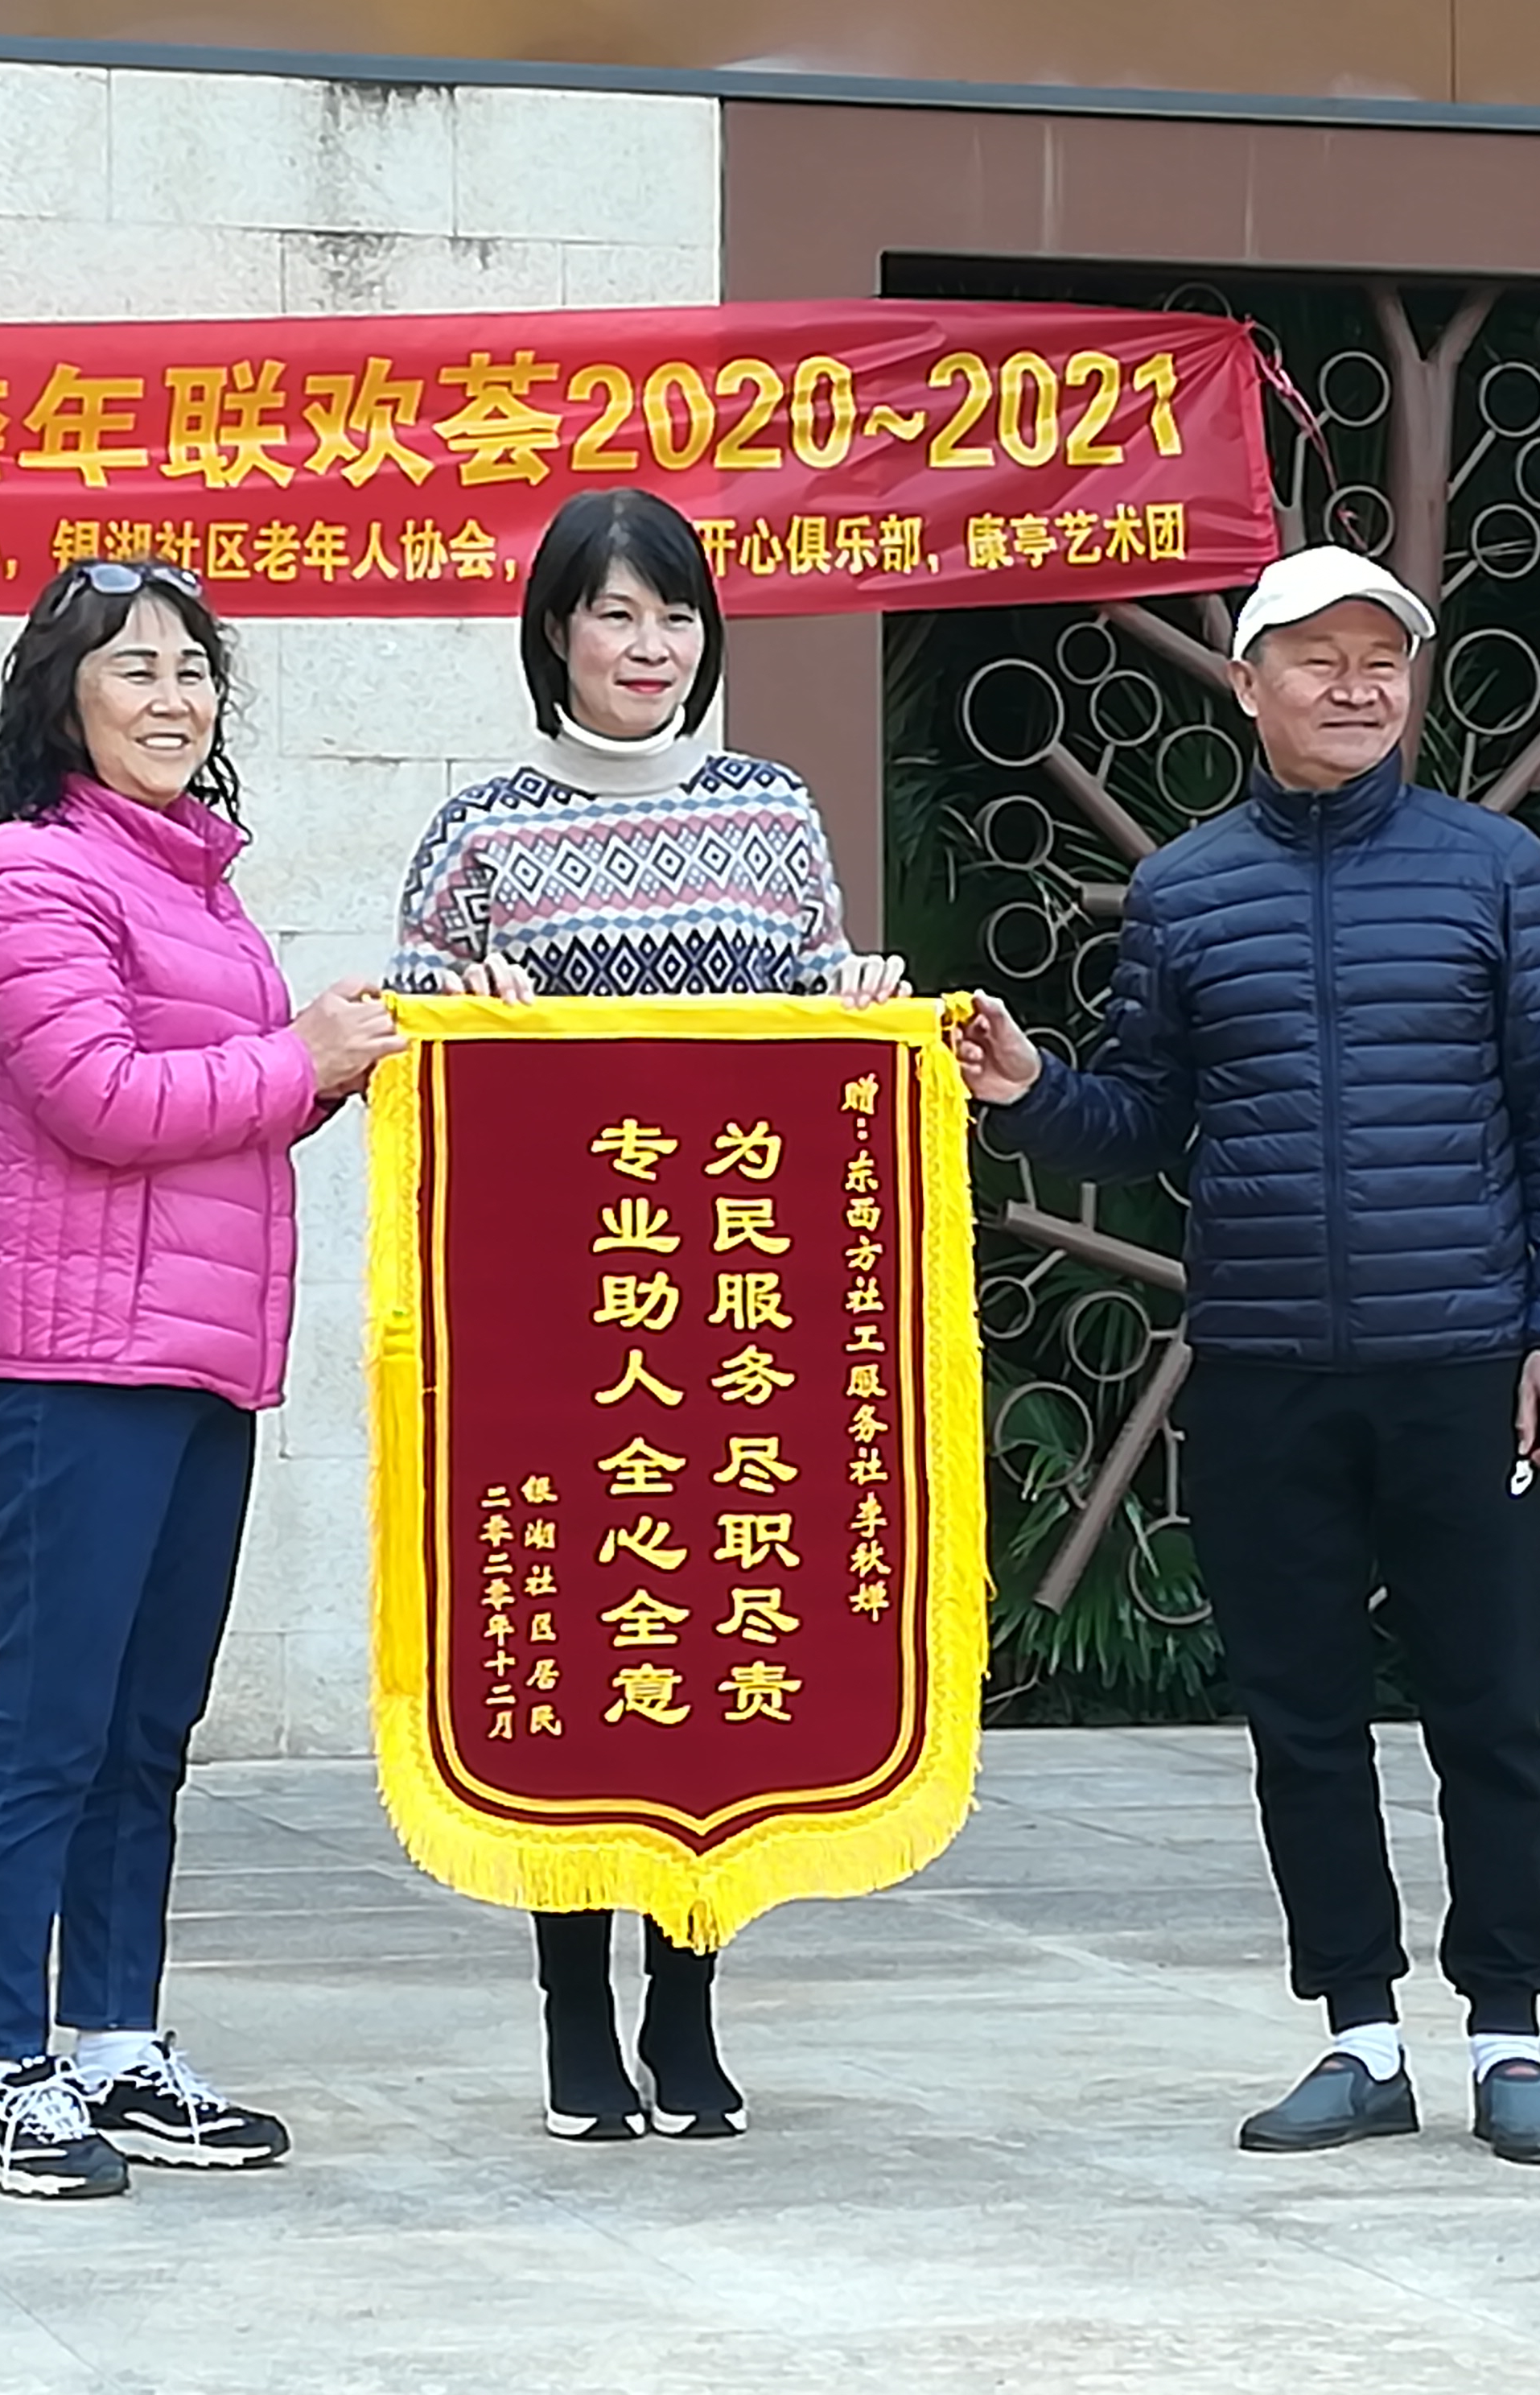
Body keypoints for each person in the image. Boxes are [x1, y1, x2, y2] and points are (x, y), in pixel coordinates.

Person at [949, 545, 1540, 2168]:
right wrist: (1029, 1090)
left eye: (1381, 659)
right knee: (1302, 1720)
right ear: (1248, 686)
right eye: (1316, 658)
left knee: (1489, 1715)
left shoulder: (1492, 869)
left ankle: (1511, 2038)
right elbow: (1141, 1121)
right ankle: (1360, 2037)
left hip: (1463, 1358)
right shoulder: (1186, 890)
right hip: (1260, 1367)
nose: (1355, 686)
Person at [389, 487, 904, 2142]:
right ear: (555, 631)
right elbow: (405, 1038)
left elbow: (817, 998)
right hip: (550, 1327)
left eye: (675, 615)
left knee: (714, 1644)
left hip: (729, 1322)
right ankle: (571, 2017)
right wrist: (452, 1003)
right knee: (565, 1652)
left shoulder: (771, 810)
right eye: (615, 613)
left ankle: (687, 2010)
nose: (649, 646)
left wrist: (858, 1001)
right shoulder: (479, 833)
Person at [0, 559, 405, 2199]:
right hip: (69, 1368)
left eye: (194, 670)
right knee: (50, 1726)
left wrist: (330, 1067)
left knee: (146, 1731)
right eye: (133, 668)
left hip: (195, 1359)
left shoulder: (196, 884)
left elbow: (224, 1103)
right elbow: (101, 1101)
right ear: (61, 698)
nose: (173, 697)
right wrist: (298, 1058)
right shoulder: (28, 874)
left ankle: (113, 2042)